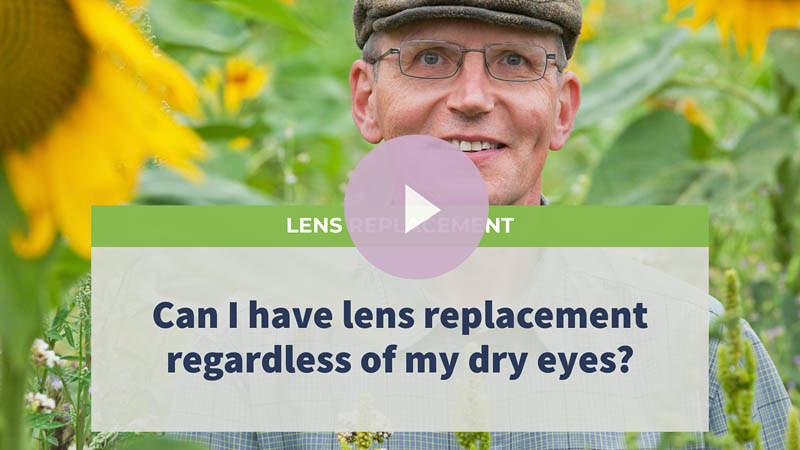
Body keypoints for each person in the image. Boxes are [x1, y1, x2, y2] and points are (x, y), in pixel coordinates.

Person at [173, 1, 792, 448]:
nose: (471, 96)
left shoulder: (698, 346)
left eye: (514, 62)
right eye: (430, 58)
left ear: (562, 110)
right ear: (366, 100)